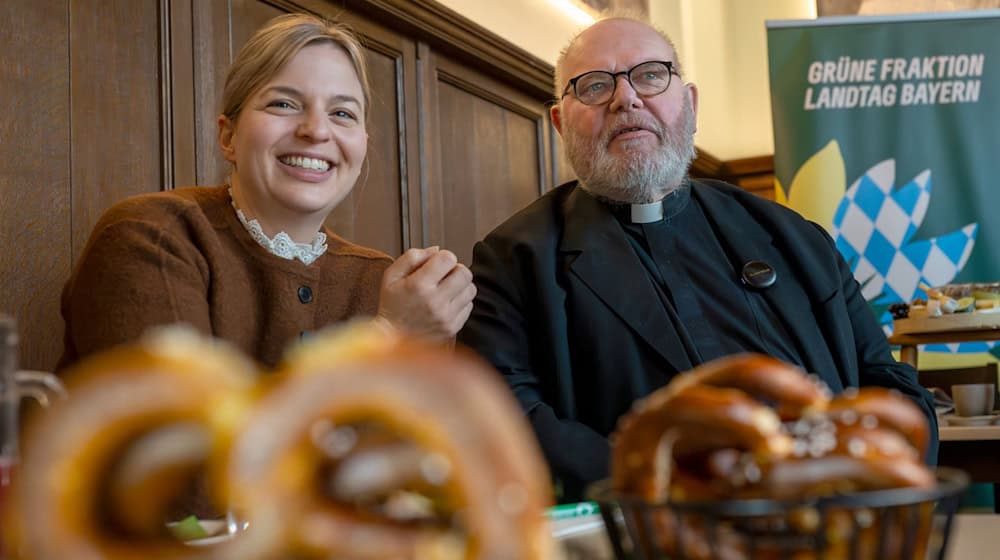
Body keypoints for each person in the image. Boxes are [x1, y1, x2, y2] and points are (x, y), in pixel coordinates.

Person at [457, 15, 937, 502]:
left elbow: (886, 379)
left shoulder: (794, 237)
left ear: (689, 103)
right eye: (595, 85)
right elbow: (504, 416)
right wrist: (674, 488)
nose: (626, 99)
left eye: (649, 75)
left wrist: (865, 472)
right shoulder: (513, 260)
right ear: (560, 123)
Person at [59, 13, 475, 371]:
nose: (316, 130)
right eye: (283, 104)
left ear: (362, 144)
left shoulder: (379, 281)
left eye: (342, 113)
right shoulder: (151, 235)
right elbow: (186, 446)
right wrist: (388, 335)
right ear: (229, 136)